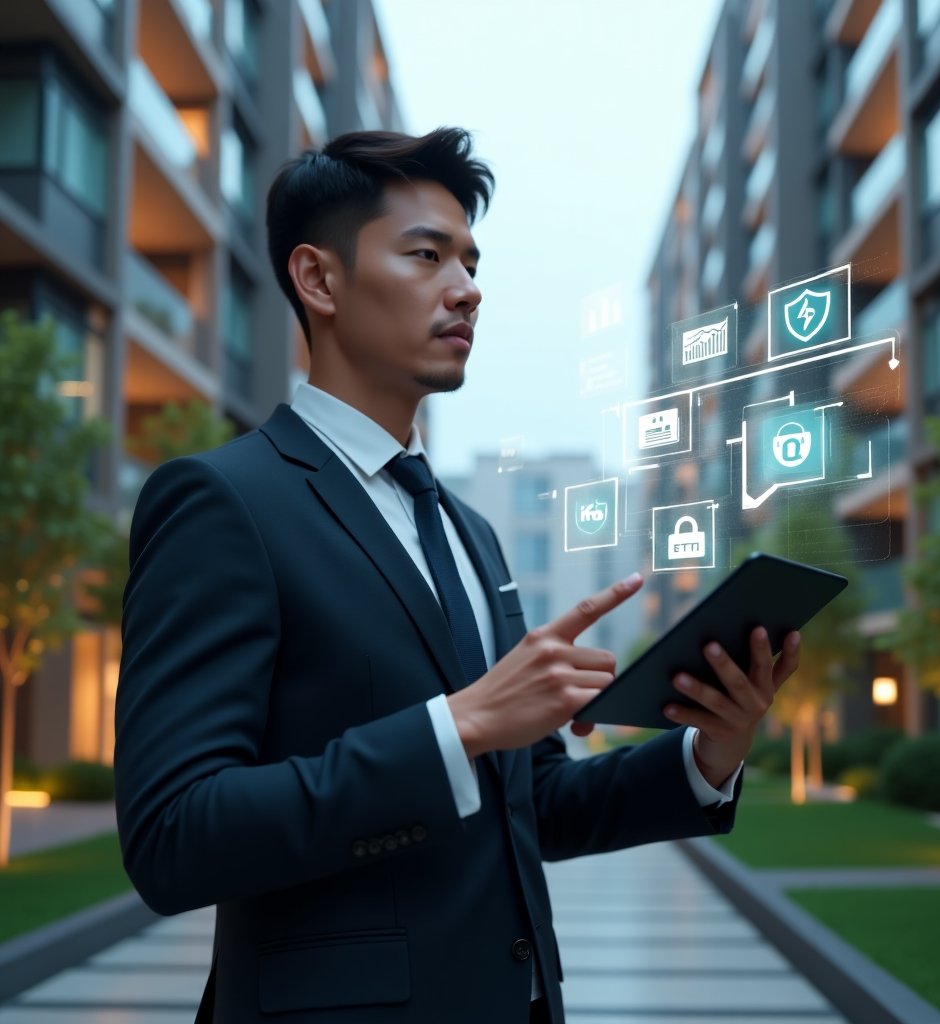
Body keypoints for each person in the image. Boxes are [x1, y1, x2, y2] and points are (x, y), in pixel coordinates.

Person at [115, 127, 800, 1024]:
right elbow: (173, 835)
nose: (468, 288)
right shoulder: (222, 501)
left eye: (472, 262)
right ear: (318, 280)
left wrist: (710, 751)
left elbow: (531, 801)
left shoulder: (467, 531)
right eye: (426, 255)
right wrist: (459, 724)